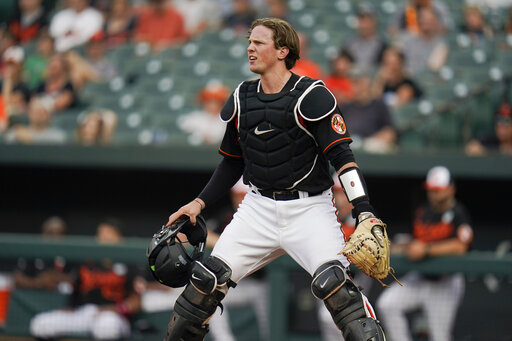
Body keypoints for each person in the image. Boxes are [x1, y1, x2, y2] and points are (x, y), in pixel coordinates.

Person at [163, 17, 387, 341]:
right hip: (258, 209)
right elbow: (230, 163)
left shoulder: (312, 95)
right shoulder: (242, 97)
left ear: (283, 50)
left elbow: (343, 158)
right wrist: (198, 203)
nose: (250, 48)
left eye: (259, 42)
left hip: (310, 210)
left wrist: (363, 208)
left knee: (337, 289)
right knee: (204, 283)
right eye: (249, 42)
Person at [376, 166, 474, 341]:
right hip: (420, 278)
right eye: (431, 190)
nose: (434, 194)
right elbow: (415, 241)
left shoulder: (459, 212)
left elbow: (462, 246)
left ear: (451, 189)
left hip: (446, 282)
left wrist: (427, 250)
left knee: (439, 337)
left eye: (438, 190)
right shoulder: (422, 213)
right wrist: (404, 247)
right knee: (387, 304)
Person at [30, 219, 142, 340]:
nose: (102, 238)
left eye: (108, 234)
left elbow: (137, 301)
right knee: (40, 324)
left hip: (114, 316)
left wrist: (115, 309)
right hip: (85, 313)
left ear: (120, 238)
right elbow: (74, 291)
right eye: (100, 234)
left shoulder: (129, 264)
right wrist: (68, 310)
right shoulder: (87, 262)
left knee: (106, 328)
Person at [341, 69, 397, 153]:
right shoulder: (346, 108)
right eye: (356, 84)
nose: (358, 89)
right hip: (350, 147)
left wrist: (367, 143)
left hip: (371, 147)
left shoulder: (379, 106)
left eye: (362, 85)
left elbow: (389, 133)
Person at [394, 6, 449, 76]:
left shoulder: (441, 45)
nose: (426, 22)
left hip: (424, 81)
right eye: (423, 19)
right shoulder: (407, 37)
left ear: (436, 22)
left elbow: (434, 68)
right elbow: (395, 56)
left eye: (429, 20)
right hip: (402, 77)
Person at [344, 3, 387, 74]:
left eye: (368, 20)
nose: (364, 25)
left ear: (374, 22)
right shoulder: (350, 44)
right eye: (361, 20)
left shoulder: (382, 45)